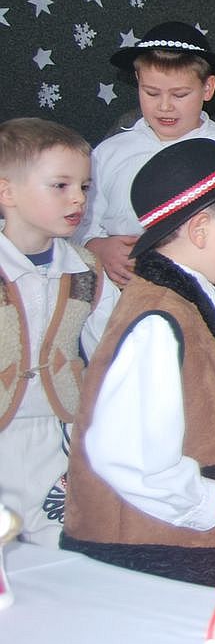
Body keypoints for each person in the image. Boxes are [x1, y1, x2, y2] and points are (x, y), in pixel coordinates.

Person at [62, 138, 215, 587]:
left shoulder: (197, 303)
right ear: (200, 231)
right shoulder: (157, 322)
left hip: (190, 547)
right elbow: (131, 461)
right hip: (152, 558)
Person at [80, 21, 215, 290]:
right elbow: (79, 225)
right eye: (151, 92)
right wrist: (95, 246)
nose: (165, 106)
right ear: (137, 81)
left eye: (180, 94)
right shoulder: (109, 153)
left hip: (206, 301)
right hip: (120, 302)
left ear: (208, 88)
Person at [0, 118, 118, 547]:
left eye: (84, 187)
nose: (78, 198)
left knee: (62, 545)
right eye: (60, 186)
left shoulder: (88, 271)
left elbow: (113, 351)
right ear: (6, 192)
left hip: (60, 435)